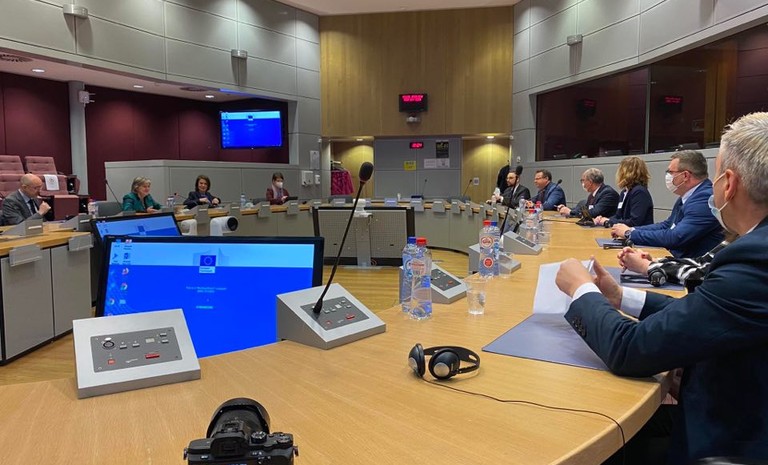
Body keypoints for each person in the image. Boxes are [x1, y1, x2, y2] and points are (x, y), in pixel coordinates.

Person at [555, 112, 768, 464]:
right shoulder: (753, 246)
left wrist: (581, 290)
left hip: (727, 438)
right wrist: (620, 297)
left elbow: (630, 349)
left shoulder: (755, 259)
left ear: (728, 183)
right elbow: (704, 311)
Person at [611, 151, 723, 258]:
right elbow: (667, 225)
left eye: (670, 172)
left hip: (691, 266)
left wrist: (629, 233)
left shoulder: (704, 199)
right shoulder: (688, 196)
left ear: (685, 176)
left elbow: (675, 237)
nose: (668, 176)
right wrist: (632, 230)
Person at [617, 237, 731, 291]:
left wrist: (646, 266)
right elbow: (701, 262)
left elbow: (704, 276)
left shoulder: (740, 242)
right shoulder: (735, 236)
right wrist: (656, 261)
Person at [594, 156, 654, 228]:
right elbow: (618, 216)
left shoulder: (639, 192)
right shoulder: (624, 192)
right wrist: (604, 219)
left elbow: (634, 222)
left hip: (638, 233)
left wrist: (608, 221)